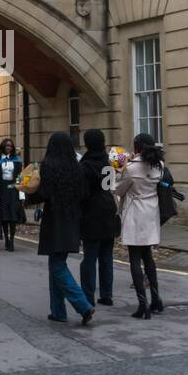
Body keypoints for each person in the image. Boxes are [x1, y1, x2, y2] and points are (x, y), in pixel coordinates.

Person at [27, 132, 95, 326]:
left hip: (55, 219)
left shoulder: (48, 166)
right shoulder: (77, 168)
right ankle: (58, 311)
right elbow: (84, 194)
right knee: (56, 263)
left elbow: (44, 193)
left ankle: (83, 305)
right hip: (73, 219)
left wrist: (27, 194)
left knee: (57, 266)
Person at [115, 133, 164, 319]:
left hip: (135, 213)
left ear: (136, 147)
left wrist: (121, 167)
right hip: (151, 213)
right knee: (148, 257)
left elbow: (118, 189)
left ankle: (142, 304)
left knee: (135, 258)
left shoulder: (131, 168)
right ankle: (156, 299)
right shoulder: (159, 165)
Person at [79, 129, 119, 307]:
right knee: (106, 256)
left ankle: (88, 295)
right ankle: (107, 294)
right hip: (108, 208)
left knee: (90, 257)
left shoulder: (86, 165)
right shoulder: (108, 162)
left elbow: (83, 192)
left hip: (92, 212)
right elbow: (111, 186)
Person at [0, 138, 26, 252]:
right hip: (2, 190)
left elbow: (20, 177)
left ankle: (11, 240)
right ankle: (6, 238)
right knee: (4, 217)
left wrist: (22, 195)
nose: (8, 148)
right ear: (3, 147)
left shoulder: (17, 160)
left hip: (13, 190)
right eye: (6, 146)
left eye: (10, 146)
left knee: (13, 217)